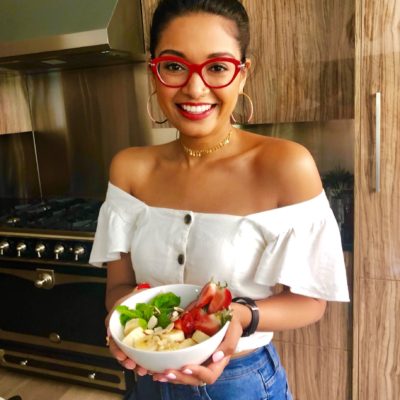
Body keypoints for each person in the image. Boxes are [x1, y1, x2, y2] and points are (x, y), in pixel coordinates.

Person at [89, 0, 350, 399]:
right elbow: (119, 288)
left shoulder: (286, 165)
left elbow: (310, 302)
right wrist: (121, 324)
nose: (195, 88)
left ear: (242, 74)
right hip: (148, 380)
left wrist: (241, 316)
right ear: (154, 72)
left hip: (240, 383)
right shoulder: (129, 169)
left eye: (217, 67)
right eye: (174, 66)